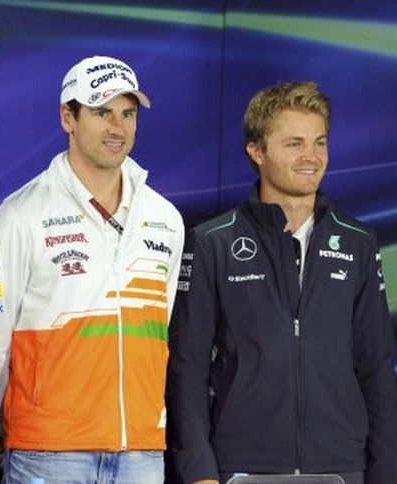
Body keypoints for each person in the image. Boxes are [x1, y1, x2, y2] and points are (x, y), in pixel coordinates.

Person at [167, 81, 397, 484]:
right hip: (241, 466)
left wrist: (385, 472)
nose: (312, 157)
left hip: (341, 466)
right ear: (257, 152)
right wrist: (198, 469)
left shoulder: (358, 242)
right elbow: (188, 365)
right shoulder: (212, 242)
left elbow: (376, 367)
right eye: (294, 144)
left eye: (319, 142)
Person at [0, 55, 185, 483]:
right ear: (67, 118)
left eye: (128, 113)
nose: (118, 127)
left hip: (141, 452)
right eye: (102, 112)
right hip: (48, 452)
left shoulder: (165, 219)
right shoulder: (21, 215)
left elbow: (161, 331)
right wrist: (2, 434)